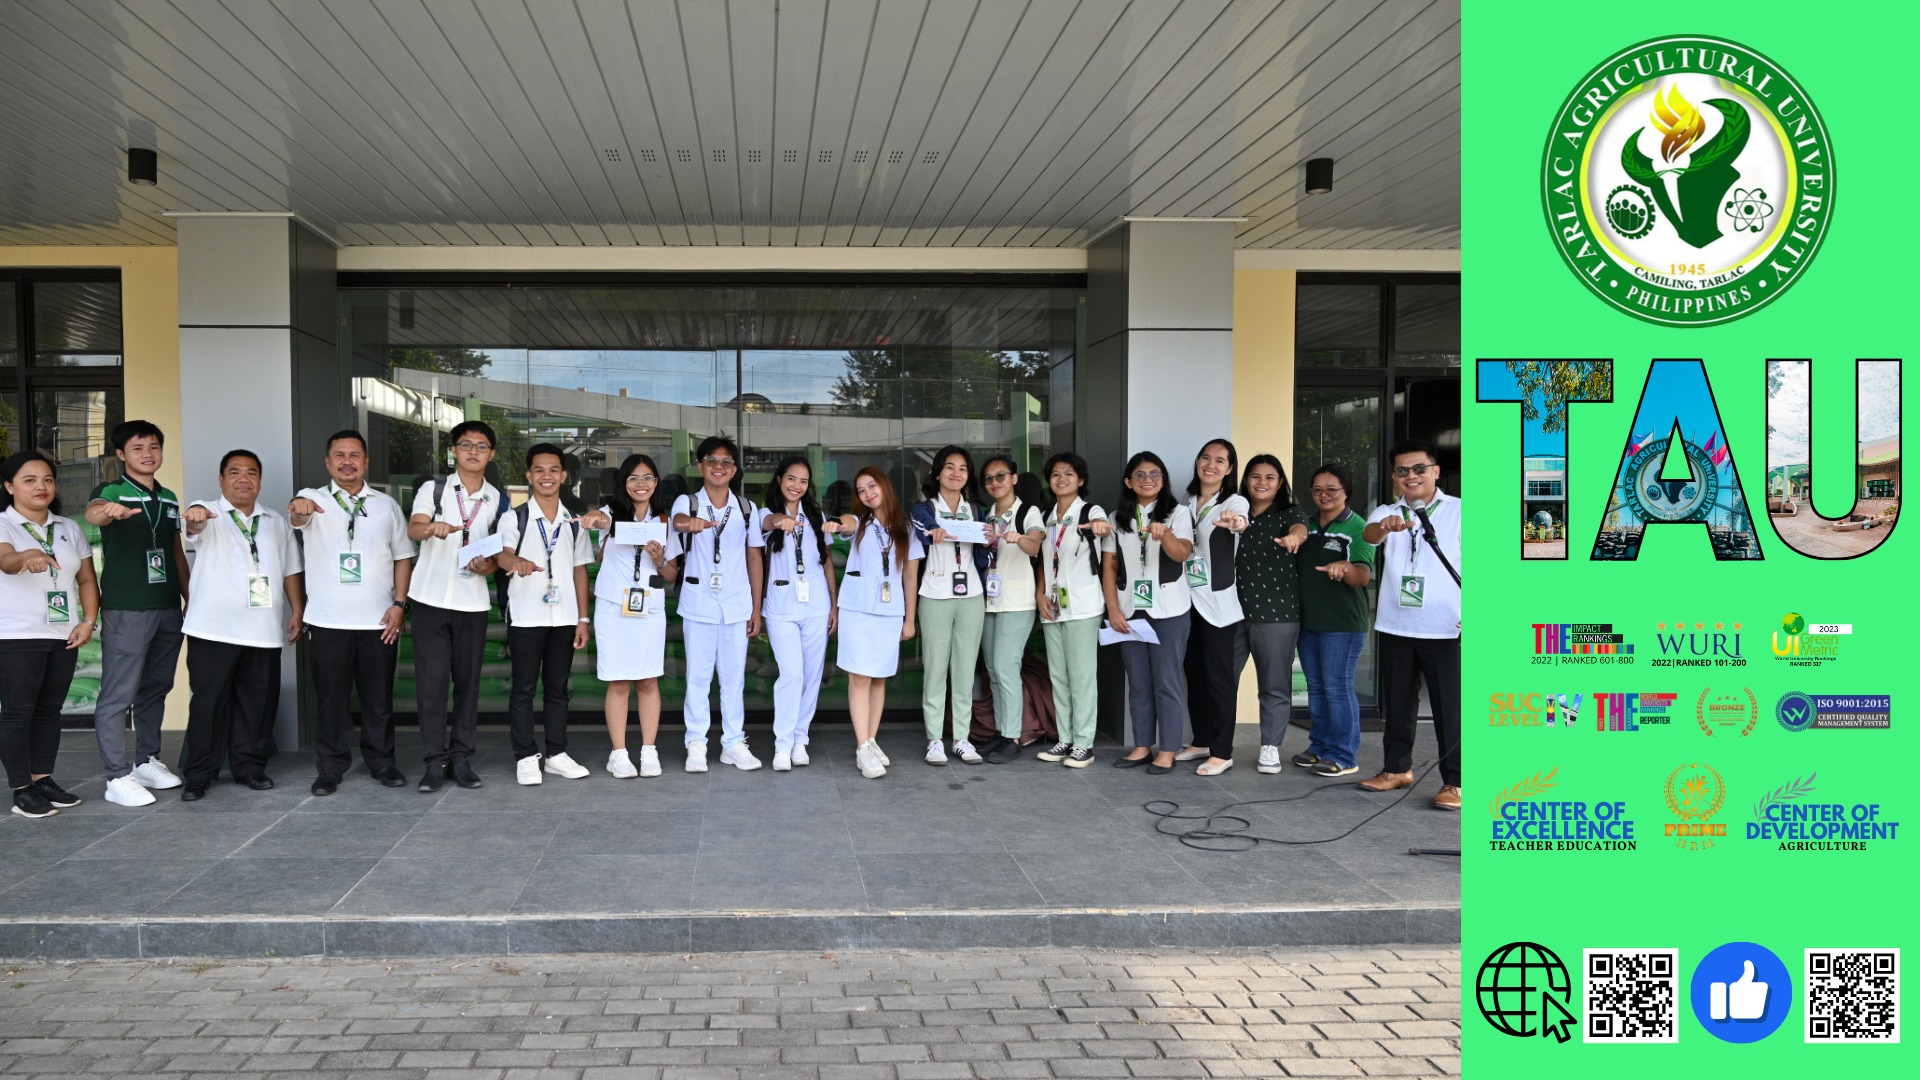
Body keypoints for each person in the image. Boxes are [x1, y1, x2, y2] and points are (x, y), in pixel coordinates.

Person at [287, 430, 414, 796]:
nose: (347, 461)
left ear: (366, 461)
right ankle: (331, 766)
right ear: (328, 463)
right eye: (339, 455)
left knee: (378, 699)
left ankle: (382, 762)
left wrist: (400, 605)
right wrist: (300, 506)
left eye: (354, 455)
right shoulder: (314, 498)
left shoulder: (386, 505)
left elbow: (403, 557)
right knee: (331, 700)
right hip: (327, 622)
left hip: (379, 621)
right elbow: (298, 512)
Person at [179, 450, 304, 801]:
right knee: (208, 704)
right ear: (221, 480)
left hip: (262, 629)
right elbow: (193, 527)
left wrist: (297, 610)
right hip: (212, 629)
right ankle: (199, 773)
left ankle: (248, 767)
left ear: (260, 481)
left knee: (257, 704)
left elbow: (290, 569)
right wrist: (196, 519)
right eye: (234, 472)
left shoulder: (276, 522)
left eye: (251, 472)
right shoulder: (206, 511)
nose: (243, 479)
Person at [84, 420, 188, 807]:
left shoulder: (170, 497)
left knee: (156, 688)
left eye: (154, 447)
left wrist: (188, 597)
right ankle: (116, 776)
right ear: (121, 454)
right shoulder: (111, 491)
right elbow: (95, 513)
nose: (148, 454)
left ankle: (147, 760)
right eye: (139, 447)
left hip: (166, 608)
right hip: (127, 608)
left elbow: (175, 552)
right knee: (118, 694)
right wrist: (108, 511)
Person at [1360, 439, 1462, 811]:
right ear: (1394, 478)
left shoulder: (1460, 512)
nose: (1411, 476)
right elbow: (1369, 536)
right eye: (1402, 471)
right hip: (1396, 624)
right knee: (1398, 704)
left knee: (1448, 707)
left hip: (1446, 627)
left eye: (1419, 468)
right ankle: (1396, 769)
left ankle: (1455, 781)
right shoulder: (1387, 511)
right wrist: (1386, 527)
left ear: (1435, 471)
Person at [406, 420, 503, 792]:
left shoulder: (498, 499)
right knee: (431, 685)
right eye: (466, 445)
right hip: (431, 599)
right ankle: (434, 761)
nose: (473, 451)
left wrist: (487, 566)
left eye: (481, 446)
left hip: (472, 603)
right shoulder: (434, 489)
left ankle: (461, 759)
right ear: (454, 451)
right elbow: (414, 528)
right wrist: (432, 528)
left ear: (490, 454)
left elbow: (497, 556)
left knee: (468, 684)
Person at [0, 451, 99, 818]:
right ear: (9, 486)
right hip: (15, 636)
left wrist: (88, 621)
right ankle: (21, 789)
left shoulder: (68, 528)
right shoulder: (4, 525)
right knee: (17, 714)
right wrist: (25, 556)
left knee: (48, 712)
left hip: (62, 634)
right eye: (29, 480)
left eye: (47, 479)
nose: (41, 486)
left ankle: (42, 779)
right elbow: (6, 561)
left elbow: (86, 579)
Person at [498, 444, 595, 786]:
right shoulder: (515, 518)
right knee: (523, 688)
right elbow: (503, 555)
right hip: (526, 615)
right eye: (539, 470)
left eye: (553, 470)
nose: (547, 476)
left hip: (565, 616)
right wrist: (516, 563)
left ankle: (556, 754)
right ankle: (525, 756)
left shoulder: (574, 522)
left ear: (563, 476)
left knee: (557, 689)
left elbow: (580, 570)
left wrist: (583, 618)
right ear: (528, 476)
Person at [578, 454, 679, 779]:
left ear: (655, 483)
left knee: (648, 679)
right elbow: (599, 522)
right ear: (624, 483)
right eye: (634, 478)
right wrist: (594, 520)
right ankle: (619, 753)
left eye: (648, 478)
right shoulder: (610, 514)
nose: (641, 484)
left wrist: (661, 558)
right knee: (619, 681)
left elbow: (672, 575)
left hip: (648, 609)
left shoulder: (663, 522)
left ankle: (648, 750)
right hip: (614, 608)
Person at [671, 435, 766, 772]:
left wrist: (756, 608)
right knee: (697, 676)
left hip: (736, 604)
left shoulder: (746, 508)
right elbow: (678, 521)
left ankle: (733, 742)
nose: (719, 467)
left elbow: (754, 556)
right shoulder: (688, 501)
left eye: (726, 462)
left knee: (733, 678)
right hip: (698, 602)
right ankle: (696, 742)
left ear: (734, 469)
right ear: (700, 466)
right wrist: (691, 525)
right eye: (712, 460)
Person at [1102, 451, 1194, 773]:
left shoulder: (1178, 514)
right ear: (1129, 481)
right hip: (1130, 610)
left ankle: (1167, 749)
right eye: (1140, 475)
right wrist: (1113, 610)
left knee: (1166, 681)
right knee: (1138, 682)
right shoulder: (1117, 518)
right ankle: (1142, 745)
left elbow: (1182, 553)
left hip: (1169, 609)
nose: (1148, 480)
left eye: (1155, 474)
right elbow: (1110, 567)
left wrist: (1165, 533)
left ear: (1163, 480)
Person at [830, 467, 923, 779]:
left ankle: (870, 741)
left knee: (880, 677)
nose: (868, 493)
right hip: (857, 610)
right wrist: (835, 523)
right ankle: (862, 746)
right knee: (860, 678)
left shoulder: (906, 527)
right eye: (860, 490)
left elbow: (910, 575)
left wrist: (909, 619)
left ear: (884, 486)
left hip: (889, 611)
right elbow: (845, 523)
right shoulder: (860, 523)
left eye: (872, 486)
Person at [758, 458, 842, 771]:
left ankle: (800, 739)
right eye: (791, 479)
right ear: (779, 479)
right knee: (791, 674)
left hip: (817, 604)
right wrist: (782, 520)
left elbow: (827, 560)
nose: (797, 486)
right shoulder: (764, 514)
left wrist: (834, 603)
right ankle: (782, 744)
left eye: (803, 481)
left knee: (811, 675)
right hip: (780, 605)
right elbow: (770, 523)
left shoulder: (816, 515)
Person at [909, 446, 989, 766]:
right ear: (937, 473)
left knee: (965, 669)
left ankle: (961, 738)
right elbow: (924, 526)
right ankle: (934, 740)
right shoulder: (924, 509)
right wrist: (936, 529)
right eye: (950, 467)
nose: (957, 473)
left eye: (963, 469)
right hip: (935, 593)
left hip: (971, 595)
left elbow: (983, 553)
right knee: (936, 667)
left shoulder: (976, 510)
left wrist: (989, 539)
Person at [1232, 454, 1311, 774]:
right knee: (1222, 682)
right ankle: (1216, 743)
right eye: (1255, 476)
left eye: (1269, 477)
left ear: (1280, 483)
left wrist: (1296, 536)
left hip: (1276, 615)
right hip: (1231, 613)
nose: (1261, 482)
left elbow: (1300, 528)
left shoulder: (1289, 513)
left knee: (1274, 685)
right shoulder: (1235, 511)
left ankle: (1270, 746)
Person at [1296, 464, 1373, 780]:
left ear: (1346, 492)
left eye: (1331, 489)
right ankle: (1320, 747)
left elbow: (1362, 576)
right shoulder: (1307, 524)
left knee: (1337, 688)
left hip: (1342, 624)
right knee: (1316, 687)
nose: (1323, 495)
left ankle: (1343, 754)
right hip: (1309, 621)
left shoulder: (1358, 527)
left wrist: (1345, 568)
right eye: (1317, 489)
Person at [1035, 452, 1111, 767]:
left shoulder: (1090, 511)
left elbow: (1103, 529)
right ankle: (1064, 739)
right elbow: (1042, 559)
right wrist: (1039, 593)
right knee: (1059, 676)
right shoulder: (1046, 516)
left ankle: (1084, 743)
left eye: (1069, 473)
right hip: (1052, 605)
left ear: (1080, 480)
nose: (1061, 479)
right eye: (1055, 474)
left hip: (1082, 605)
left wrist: (1100, 526)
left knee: (1081, 677)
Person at [1180, 438, 1250, 776]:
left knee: (1220, 679)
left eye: (1220, 460)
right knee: (1193, 674)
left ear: (1230, 468)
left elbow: (1240, 521)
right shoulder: (1187, 501)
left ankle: (1222, 751)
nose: (1211, 464)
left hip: (1219, 605)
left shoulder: (1234, 501)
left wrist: (1236, 523)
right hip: (1186, 601)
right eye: (1206, 457)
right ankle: (1202, 740)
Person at [977, 455, 1044, 764]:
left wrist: (1020, 539)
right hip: (990, 602)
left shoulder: (1028, 512)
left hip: (1017, 602)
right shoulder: (987, 517)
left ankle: (1013, 737)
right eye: (989, 478)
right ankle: (1003, 731)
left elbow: (1035, 545)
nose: (995, 482)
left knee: (1006, 668)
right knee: (993, 670)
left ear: (1014, 478)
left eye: (1001, 475)